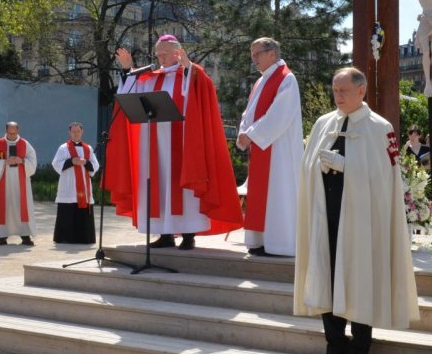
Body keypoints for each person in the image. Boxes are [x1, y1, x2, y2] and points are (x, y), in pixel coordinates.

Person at [294, 67, 417, 354]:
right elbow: (307, 166)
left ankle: (360, 353)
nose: (338, 96)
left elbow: (386, 178)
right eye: (335, 91)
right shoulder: (324, 123)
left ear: (361, 91)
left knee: (361, 280)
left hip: (362, 220)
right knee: (327, 277)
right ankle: (334, 348)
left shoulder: (379, 127)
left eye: (344, 91)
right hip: (327, 215)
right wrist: (317, 169)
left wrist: (347, 166)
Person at [107, 36, 241, 249]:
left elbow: (199, 91)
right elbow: (130, 96)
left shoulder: (190, 73)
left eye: (165, 53)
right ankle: (165, 233)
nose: (160, 57)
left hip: (182, 141)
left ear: (178, 52)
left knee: (182, 185)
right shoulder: (151, 76)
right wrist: (127, 69)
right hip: (153, 142)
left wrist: (187, 66)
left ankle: (189, 233)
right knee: (158, 184)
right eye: (158, 53)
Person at [236, 37, 302, 257]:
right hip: (262, 147)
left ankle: (280, 244)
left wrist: (252, 135)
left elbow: (279, 115)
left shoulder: (286, 79)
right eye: (252, 54)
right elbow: (248, 113)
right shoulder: (261, 81)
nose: (254, 58)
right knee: (261, 195)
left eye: (258, 53)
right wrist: (243, 134)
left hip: (279, 151)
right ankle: (259, 241)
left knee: (277, 194)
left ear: (272, 53)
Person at [51, 122, 101, 245]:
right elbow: (56, 163)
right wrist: (71, 161)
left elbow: (95, 165)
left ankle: (83, 238)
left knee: (82, 211)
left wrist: (85, 163)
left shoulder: (87, 148)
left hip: (83, 185)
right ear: (69, 132)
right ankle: (65, 238)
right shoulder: (63, 148)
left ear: (82, 132)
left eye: (78, 131)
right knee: (67, 210)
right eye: (73, 131)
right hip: (68, 185)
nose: (76, 134)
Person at [0, 121, 37, 246]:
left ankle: (25, 236)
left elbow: (33, 161)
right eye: (9, 133)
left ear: (18, 131)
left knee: (22, 206)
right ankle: (2, 237)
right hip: (3, 180)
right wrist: (4, 162)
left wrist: (22, 161)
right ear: (6, 131)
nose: (12, 135)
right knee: (4, 206)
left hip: (21, 181)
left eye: (14, 133)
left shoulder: (25, 144)